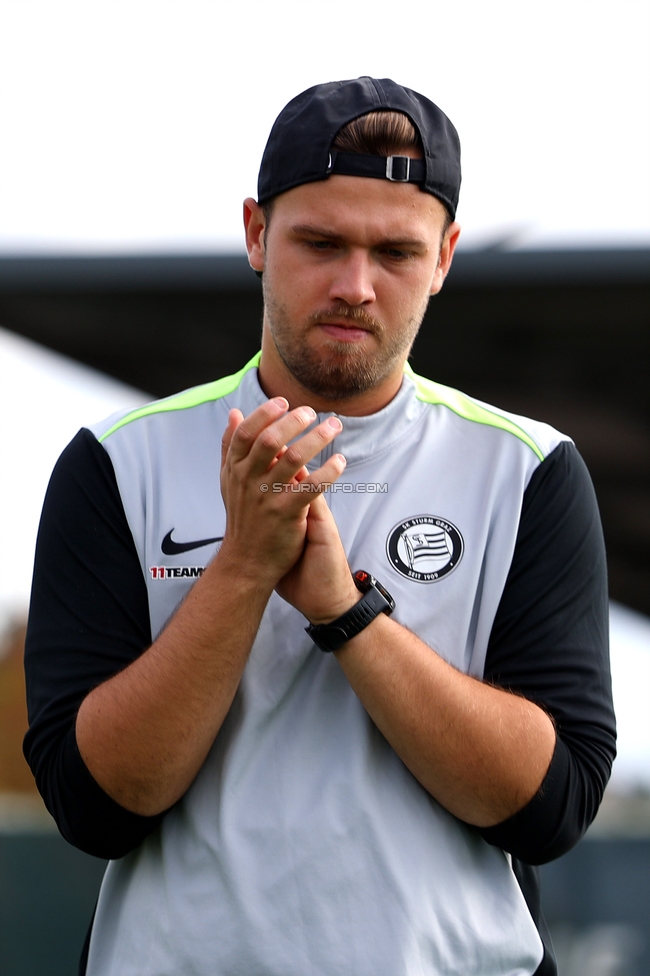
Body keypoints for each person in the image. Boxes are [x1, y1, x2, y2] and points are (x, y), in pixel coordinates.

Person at [24, 77, 615, 976]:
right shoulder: (118, 461)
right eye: (321, 243)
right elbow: (94, 807)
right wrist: (241, 569)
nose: (355, 287)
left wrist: (346, 611)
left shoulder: (527, 469)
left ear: (446, 257)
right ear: (257, 234)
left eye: (396, 252)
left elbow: (551, 808)